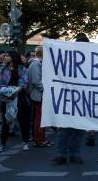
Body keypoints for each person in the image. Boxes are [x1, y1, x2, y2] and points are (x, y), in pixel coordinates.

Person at [51, 33, 89, 164]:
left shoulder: (90, 61)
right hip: (70, 99)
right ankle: (67, 154)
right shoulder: (68, 60)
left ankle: (70, 154)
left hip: (80, 99)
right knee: (68, 129)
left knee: (76, 129)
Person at [0, 50, 31, 152]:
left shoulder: (22, 69)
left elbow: (24, 83)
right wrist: (7, 91)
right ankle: (2, 144)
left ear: (13, 57)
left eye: (7, 55)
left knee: (23, 121)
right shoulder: (2, 69)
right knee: (6, 122)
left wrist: (14, 91)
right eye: (4, 55)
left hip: (20, 98)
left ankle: (25, 142)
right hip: (6, 98)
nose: (4, 57)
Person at [28, 46, 52, 147]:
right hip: (39, 95)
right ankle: (39, 140)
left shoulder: (37, 63)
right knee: (39, 119)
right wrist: (45, 90)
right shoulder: (35, 64)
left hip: (39, 95)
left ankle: (41, 139)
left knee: (41, 118)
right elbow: (36, 81)